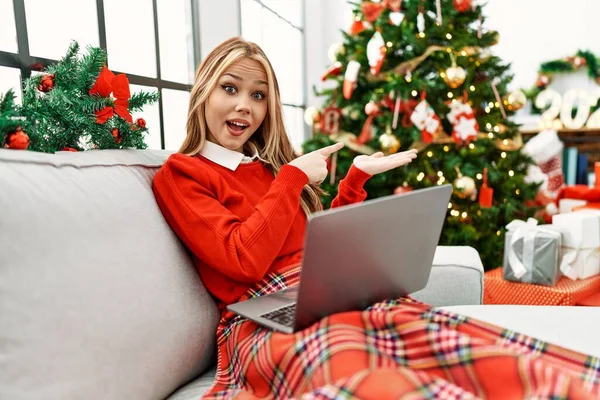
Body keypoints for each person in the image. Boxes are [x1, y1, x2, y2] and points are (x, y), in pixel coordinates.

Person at [152, 37, 599, 399]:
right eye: (230, 88)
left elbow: (314, 246)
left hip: (321, 293)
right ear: (203, 90)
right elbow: (243, 259)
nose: (245, 106)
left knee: (446, 342)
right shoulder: (183, 173)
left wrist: (353, 182)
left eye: (258, 96)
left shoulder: (266, 170)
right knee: (357, 369)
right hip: (262, 317)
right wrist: (290, 177)